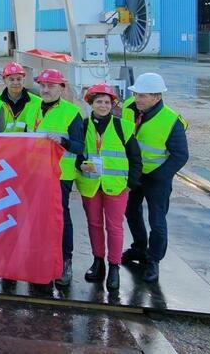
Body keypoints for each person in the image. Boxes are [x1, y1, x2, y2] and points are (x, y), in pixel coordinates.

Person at [121, 72, 189, 284]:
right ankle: (139, 248)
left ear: (157, 97)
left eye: (143, 95)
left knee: (157, 221)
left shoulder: (171, 121)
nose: (137, 98)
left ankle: (153, 260)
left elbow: (181, 155)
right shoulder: (129, 108)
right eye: (136, 94)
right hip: (134, 174)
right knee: (130, 211)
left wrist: (161, 175)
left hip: (157, 177)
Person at [76, 84, 141, 291]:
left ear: (112, 105)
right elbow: (76, 153)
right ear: (91, 104)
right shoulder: (83, 125)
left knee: (114, 227)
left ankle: (114, 267)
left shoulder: (123, 127)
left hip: (116, 186)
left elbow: (135, 158)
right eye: (99, 102)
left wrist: (131, 184)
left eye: (107, 102)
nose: (103, 106)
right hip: (90, 184)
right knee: (94, 224)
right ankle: (98, 262)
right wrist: (79, 164)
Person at [34, 68, 85, 287]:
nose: (45, 90)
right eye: (43, 86)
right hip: (35, 173)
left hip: (60, 175)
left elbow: (80, 146)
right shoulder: (33, 108)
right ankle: (41, 259)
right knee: (39, 217)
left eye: (51, 86)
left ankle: (66, 261)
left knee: (61, 217)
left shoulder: (72, 112)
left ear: (61, 88)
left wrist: (62, 142)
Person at [0, 62, 42, 132]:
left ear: (23, 80)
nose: (15, 83)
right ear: (4, 81)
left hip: (27, 142)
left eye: (19, 79)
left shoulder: (38, 103)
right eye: (11, 79)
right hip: (3, 142)